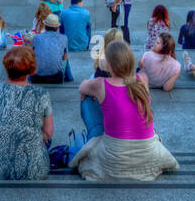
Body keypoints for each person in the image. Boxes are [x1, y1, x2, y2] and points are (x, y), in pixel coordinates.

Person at [73, 39, 178, 181]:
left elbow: (82, 87)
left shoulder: (100, 84)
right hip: (147, 154)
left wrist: (94, 88)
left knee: (86, 98)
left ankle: (94, 134)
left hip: (115, 158)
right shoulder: (143, 79)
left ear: (109, 64)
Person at [0, 46, 53, 180]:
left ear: (6, 66)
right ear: (31, 69)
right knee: (42, 135)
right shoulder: (41, 94)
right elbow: (49, 132)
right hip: (32, 170)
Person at [28, 14, 69, 84]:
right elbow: (64, 57)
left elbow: (32, 55)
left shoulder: (37, 37)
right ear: (57, 27)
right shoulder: (64, 38)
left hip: (37, 77)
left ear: (45, 26)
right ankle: (68, 78)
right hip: (56, 78)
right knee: (65, 58)